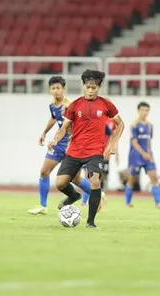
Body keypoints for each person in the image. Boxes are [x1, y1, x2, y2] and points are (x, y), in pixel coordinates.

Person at [48, 70, 124, 228]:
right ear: (83, 86)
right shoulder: (75, 105)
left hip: (95, 152)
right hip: (74, 151)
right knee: (60, 183)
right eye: (88, 87)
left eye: (94, 87)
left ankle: (91, 222)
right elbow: (64, 128)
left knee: (95, 181)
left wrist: (111, 144)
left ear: (99, 87)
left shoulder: (106, 104)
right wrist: (55, 139)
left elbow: (120, 124)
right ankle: (74, 195)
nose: (90, 90)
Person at [28, 76, 91, 215]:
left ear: (63, 89)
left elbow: (78, 126)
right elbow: (53, 118)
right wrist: (44, 133)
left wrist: (72, 143)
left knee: (76, 179)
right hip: (58, 144)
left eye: (58, 88)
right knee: (44, 171)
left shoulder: (69, 106)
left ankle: (98, 194)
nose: (56, 91)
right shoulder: (52, 105)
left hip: (72, 145)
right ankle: (43, 206)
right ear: (50, 90)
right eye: (53, 88)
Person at [124, 102, 160, 209]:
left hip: (148, 156)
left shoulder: (149, 126)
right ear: (138, 111)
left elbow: (148, 141)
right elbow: (134, 142)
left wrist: (149, 154)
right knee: (132, 179)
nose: (144, 112)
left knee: (154, 177)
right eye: (142, 110)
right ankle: (127, 203)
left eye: (146, 110)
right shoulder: (134, 125)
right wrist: (143, 153)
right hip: (136, 156)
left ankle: (158, 203)